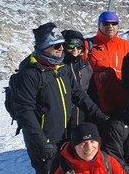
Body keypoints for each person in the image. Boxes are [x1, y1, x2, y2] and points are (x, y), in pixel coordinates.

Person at [15, 23, 109, 174]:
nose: (61, 48)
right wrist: (41, 143)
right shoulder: (29, 75)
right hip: (44, 142)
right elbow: (25, 112)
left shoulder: (61, 69)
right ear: (42, 47)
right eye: (55, 45)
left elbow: (80, 96)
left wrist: (103, 118)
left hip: (65, 137)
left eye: (62, 45)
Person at [86, 11, 129, 114]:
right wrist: (98, 76)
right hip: (97, 103)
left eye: (114, 23)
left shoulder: (125, 45)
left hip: (122, 102)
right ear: (99, 25)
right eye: (106, 23)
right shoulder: (88, 44)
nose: (110, 26)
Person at [53, 122, 125, 174]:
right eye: (83, 143)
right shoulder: (64, 168)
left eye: (93, 141)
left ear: (99, 142)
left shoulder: (108, 162)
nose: (89, 147)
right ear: (74, 146)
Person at [61, 29, 93, 129]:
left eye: (79, 47)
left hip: (83, 115)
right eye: (70, 46)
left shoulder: (85, 65)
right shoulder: (58, 67)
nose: (75, 50)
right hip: (63, 117)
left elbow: (92, 90)